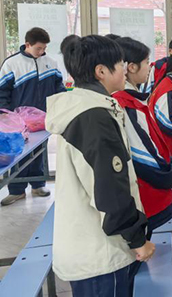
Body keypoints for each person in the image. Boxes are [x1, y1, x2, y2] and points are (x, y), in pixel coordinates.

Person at [46, 35, 155, 296]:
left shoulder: (85, 107)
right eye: (120, 64)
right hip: (100, 255)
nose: (125, 69)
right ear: (101, 71)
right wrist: (137, 239)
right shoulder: (94, 118)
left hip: (90, 247)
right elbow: (109, 189)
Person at [112, 37, 172, 235]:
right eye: (146, 63)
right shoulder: (125, 103)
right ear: (131, 67)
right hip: (144, 192)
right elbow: (142, 155)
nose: (149, 68)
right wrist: (170, 175)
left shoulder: (132, 98)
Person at [0, 27, 66, 206]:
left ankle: (38, 185)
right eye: (38, 48)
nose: (42, 52)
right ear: (27, 44)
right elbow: (2, 92)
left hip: (42, 119)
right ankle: (16, 191)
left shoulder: (51, 63)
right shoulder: (12, 64)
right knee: (19, 154)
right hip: (18, 122)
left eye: (44, 48)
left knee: (40, 152)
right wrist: (5, 115)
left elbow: (59, 88)